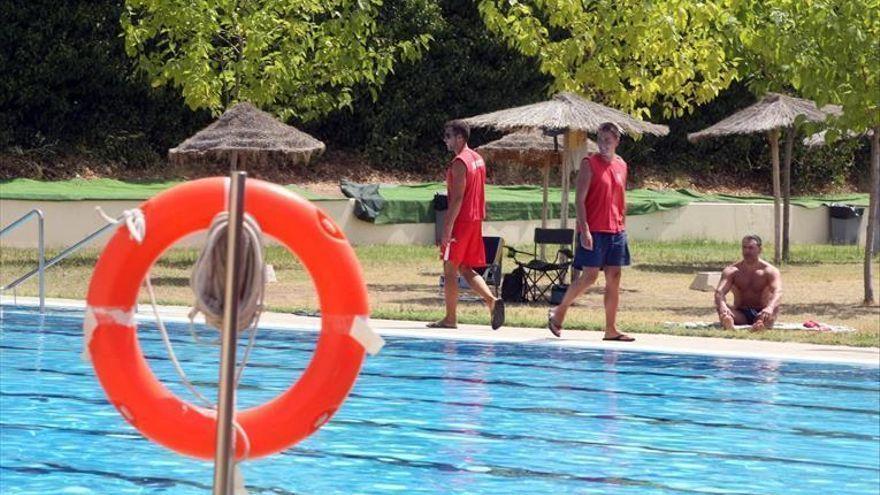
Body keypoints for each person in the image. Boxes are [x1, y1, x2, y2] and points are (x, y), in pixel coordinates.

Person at [547, 122, 634, 341]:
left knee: (614, 277)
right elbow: (580, 199)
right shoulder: (589, 163)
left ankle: (611, 329)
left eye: (608, 140)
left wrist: (622, 223)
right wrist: (584, 229)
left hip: (616, 230)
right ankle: (559, 311)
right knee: (589, 276)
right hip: (593, 229)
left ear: (617, 142)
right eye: (601, 140)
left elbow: (620, 198)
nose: (604, 144)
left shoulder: (622, 165)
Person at [428, 120, 504, 330]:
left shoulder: (460, 162)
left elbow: (457, 198)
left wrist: (446, 229)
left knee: (450, 268)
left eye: (448, 136)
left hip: (461, 221)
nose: (445, 140)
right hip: (475, 219)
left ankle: (450, 318)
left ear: (460, 137)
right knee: (465, 267)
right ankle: (492, 301)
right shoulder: (477, 159)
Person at [715, 234, 782, 331]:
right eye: (744, 247)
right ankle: (729, 322)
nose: (747, 251)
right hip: (740, 313)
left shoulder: (770, 271)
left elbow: (778, 292)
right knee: (720, 307)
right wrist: (723, 306)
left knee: (774, 309)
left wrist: (770, 307)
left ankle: (759, 325)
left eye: (751, 248)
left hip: (762, 311)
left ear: (760, 249)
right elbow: (719, 292)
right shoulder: (732, 271)